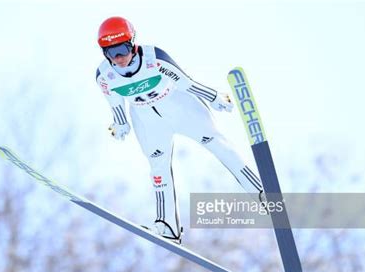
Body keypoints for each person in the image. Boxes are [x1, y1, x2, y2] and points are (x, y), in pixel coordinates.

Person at [95, 17, 263, 244]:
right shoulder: (105, 76)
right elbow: (115, 103)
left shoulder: (156, 59)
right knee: (158, 167)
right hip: (147, 121)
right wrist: (121, 124)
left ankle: (260, 192)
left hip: (180, 108)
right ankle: (167, 226)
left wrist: (214, 97)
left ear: (133, 44)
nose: (119, 58)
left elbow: (187, 83)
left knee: (215, 141)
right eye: (111, 53)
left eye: (122, 49)